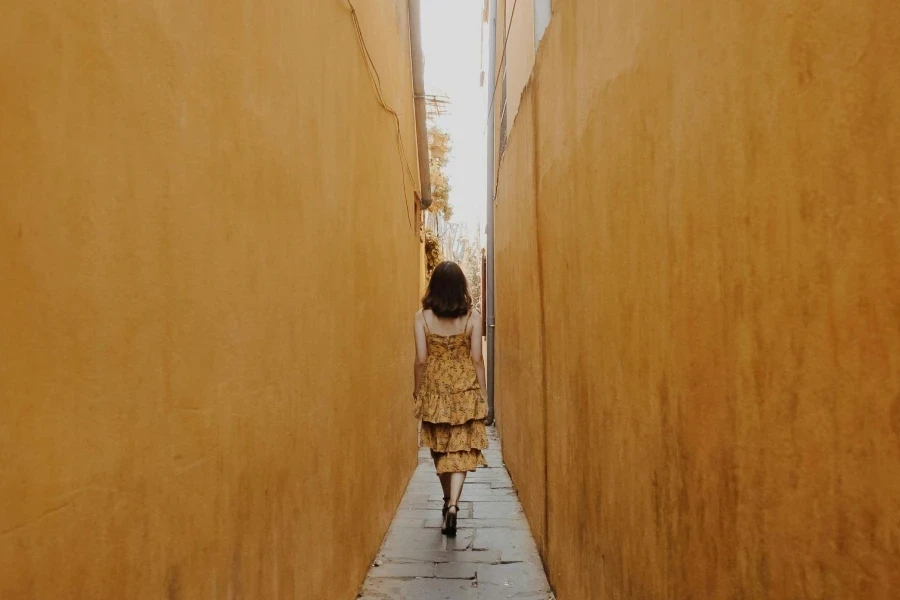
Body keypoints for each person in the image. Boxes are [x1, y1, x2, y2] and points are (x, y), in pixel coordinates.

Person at [413, 261, 488, 537]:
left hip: (435, 390)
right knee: (460, 450)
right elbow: (477, 359)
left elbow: (421, 360)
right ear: (461, 287)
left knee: (440, 448)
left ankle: (446, 502)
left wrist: (417, 390)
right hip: (464, 389)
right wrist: (483, 394)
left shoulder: (421, 318)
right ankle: (454, 504)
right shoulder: (472, 317)